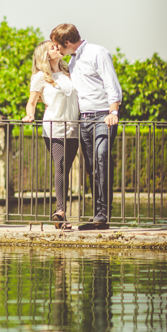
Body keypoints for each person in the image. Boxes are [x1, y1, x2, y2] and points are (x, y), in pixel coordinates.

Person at [49, 23, 122, 230]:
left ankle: (102, 213)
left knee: (101, 158)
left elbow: (111, 83)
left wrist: (113, 111)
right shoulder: (72, 62)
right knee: (91, 166)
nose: (57, 50)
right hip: (84, 119)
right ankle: (98, 216)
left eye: (58, 45)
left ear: (67, 42)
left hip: (103, 117)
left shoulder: (97, 52)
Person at [23, 41, 80, 229]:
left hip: (73, 127)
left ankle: (60, 219)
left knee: (66, 169)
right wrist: (30, 115)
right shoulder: (40, 77)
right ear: (46, 54)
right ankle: (61, 211)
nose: (57, 48)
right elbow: (32, 101)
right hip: (53, 127)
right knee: (60, 165)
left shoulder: (67, 73)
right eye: (53, 47)